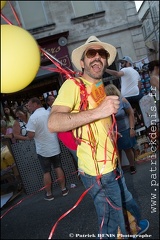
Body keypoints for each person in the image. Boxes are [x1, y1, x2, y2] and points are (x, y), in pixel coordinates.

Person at [47, 36, 149, 237]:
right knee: (111, 223)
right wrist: (99, 112)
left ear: (106, 60)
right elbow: (53, 123)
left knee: (125, 198)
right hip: (98, 172)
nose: (97, 57)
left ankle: (137, 224)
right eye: (90, 54)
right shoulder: (73, 86)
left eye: (101, 54)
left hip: (112, 163)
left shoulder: (99, 85)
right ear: (82, 62)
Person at [26, 97, 68, 200]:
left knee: (46, 172)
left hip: (43, 149)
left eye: (30, 105)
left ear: (36, 104)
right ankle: (63, 189)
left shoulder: (33, 117)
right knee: (58, 167)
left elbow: (30, 135)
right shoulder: (49, 113)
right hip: (54, 146)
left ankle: (49, 194)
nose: (29, 107)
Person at [105, 84, 137, 174]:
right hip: (114, 131)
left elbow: (131, 113)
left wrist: (131, 128)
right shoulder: (107, 105)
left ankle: (132, 166)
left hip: (125, 128)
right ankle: (119, 169)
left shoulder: (122, 100)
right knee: (116, 151)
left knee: (127, 148)